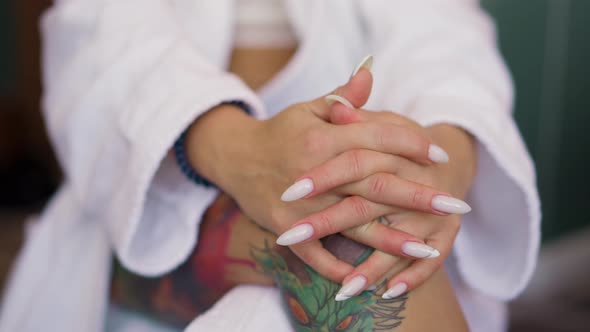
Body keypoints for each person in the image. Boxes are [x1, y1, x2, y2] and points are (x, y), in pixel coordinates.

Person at [0, 1, 540, 332]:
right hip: (167, 174)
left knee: (369, 236)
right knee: (353, 249)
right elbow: (103, 36)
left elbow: (446, 40)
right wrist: (240, 149)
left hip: (362, 171)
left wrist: (441, 156)